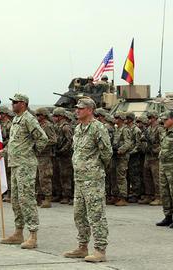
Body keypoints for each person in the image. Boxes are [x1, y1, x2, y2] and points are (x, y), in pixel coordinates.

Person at [63, 98, 112, 263]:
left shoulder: (98, 128)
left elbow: (107, 153)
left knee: (96, 214)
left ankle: (100, 250)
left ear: (90, 110)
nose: (77, 111)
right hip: (79, 179)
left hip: (93, 179)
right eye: (77, 108)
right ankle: (82, 247)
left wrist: (95, 168)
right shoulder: (78, 128)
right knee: (79, 214)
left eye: (81, 108)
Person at [0, 93, 48, 249]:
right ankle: (18, 232)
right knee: (16, 200)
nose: (13, 104)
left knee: (26, 199)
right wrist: (3, 152)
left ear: (24, 104)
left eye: (16, 102)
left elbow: (43, 138)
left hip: (25, 165)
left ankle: (33, 235)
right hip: (15, 164)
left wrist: (31, 152)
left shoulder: (28, 119)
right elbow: (15, 142)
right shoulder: (17, 119)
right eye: (12, 101)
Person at [35, 107, 57, 208]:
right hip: (38, 155)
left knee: (45, 178)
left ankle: (47, 198)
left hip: (45, 155)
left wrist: (41, 143)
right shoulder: (39, 125)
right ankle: (39, 197)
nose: (37, 117)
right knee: (37, 178)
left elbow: (53, 140)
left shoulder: (48, 126)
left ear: (44, 115)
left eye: (39, 115)